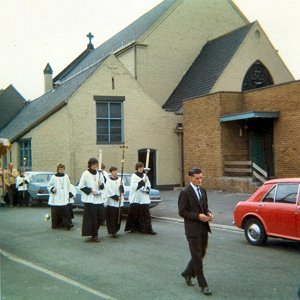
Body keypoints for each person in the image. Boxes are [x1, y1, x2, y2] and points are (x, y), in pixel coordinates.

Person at [178, 167, 213, 296]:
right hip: (192, 230)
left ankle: (187, 272)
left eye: (201, 178)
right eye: (197, 178)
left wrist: (208, 214)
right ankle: (203, 284)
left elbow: (205, 208)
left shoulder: (203, 191)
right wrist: (198, 216)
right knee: (197, 257)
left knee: (201, 253)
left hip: (204, 227)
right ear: (191, 178)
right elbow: (182, 212)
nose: (199, 180)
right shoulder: (185, 192)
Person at [124, 162, 156, 235]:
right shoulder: (134, 176)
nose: (141, 169)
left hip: (144, 198)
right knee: (134, 214)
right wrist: (142, 182)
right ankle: (133, 228)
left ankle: (148, 229)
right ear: (137, 168)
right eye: (140, 168)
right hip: (136, 198)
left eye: (142, 168)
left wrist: (147, 189)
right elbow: (134, 186)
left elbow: (148, 184)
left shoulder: (145, 175)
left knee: (146, 214)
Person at [79, 158, 106, 242]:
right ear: (90, 165)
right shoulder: (85, 174)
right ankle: (94, 235)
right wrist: (90, 190)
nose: (95, 166)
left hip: (98, 199)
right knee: (93, 219)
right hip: (90, 200)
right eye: (93, 164)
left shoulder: (99, 173)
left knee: (101, 216)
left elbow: (103, 186)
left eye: (96, 164)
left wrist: (101, 185)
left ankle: (95, 233)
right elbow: (81, 186)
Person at [47, 164, 74, 230]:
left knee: (65, 211)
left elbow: (68, 185)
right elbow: (49, 185)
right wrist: (52, 188)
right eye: (60, 169)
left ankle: (68, 224)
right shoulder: (54, 177)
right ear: (58, 170)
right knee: (56, 212)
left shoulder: (66, 176)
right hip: (56, 196)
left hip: (64, 197)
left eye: (62, 169)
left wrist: (69, 193)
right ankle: (56, 224)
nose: (61, 170)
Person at [105, 166, 124, 238]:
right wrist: (116, 197)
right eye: (114, 171)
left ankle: (116, 229)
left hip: (119, 202)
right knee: (112, 217)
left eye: (116, 171)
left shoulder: (120, 179)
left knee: (118, 217)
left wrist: (121, 186)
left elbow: (122, 191)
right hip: (112, 202)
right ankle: (112, 231)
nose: (115, 172)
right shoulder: (108, 180)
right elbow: (108, 190)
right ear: (111, 172)